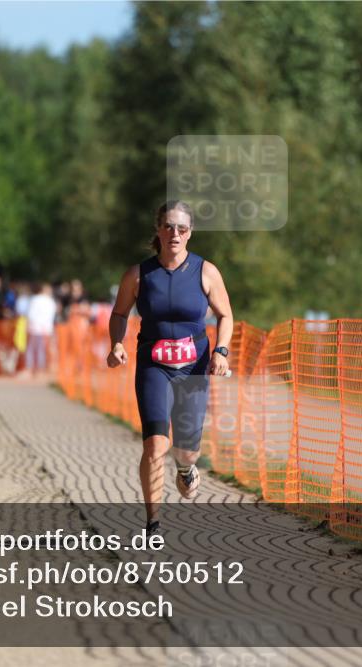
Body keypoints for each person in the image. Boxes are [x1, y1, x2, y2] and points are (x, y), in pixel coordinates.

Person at [106, 201, 233, 535]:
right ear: (158, 230)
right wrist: (117, 343)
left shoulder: (206, 271)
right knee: (154, 446)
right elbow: (119, 314)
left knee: (187, 452)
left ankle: (185, 467)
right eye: (168, 226)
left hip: (193, 368)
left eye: (182, 228)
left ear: (190, 233)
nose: (174, 233)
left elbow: (225, 315)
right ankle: (153, 522)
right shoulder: (138, 274)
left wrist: (221, 351)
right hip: (154, 367)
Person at [26, 283, 58, 377]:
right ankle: (40, 368)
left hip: (36, 328)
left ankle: (31, 367)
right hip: (46, 329)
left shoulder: (35, 299)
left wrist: (29, 325)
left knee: (32, 349)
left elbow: (31, 314)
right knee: (42, 349)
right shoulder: (51, 301)